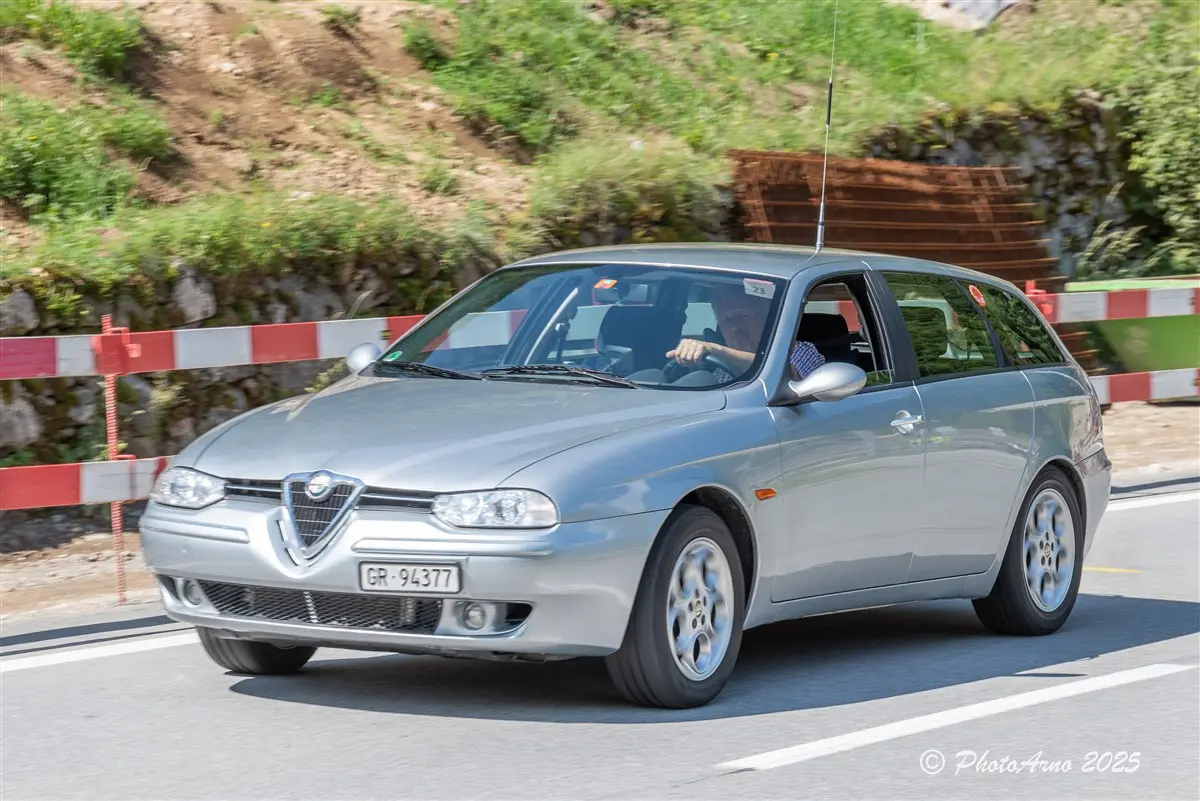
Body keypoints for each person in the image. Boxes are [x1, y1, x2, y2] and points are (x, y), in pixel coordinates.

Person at [667, 282, 825, 383]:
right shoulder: (719, 366)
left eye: (742, 316)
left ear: (768, 320)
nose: (735, 326)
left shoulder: (799, 350)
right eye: (726, 321)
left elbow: (784, 377)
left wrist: (717, 350)